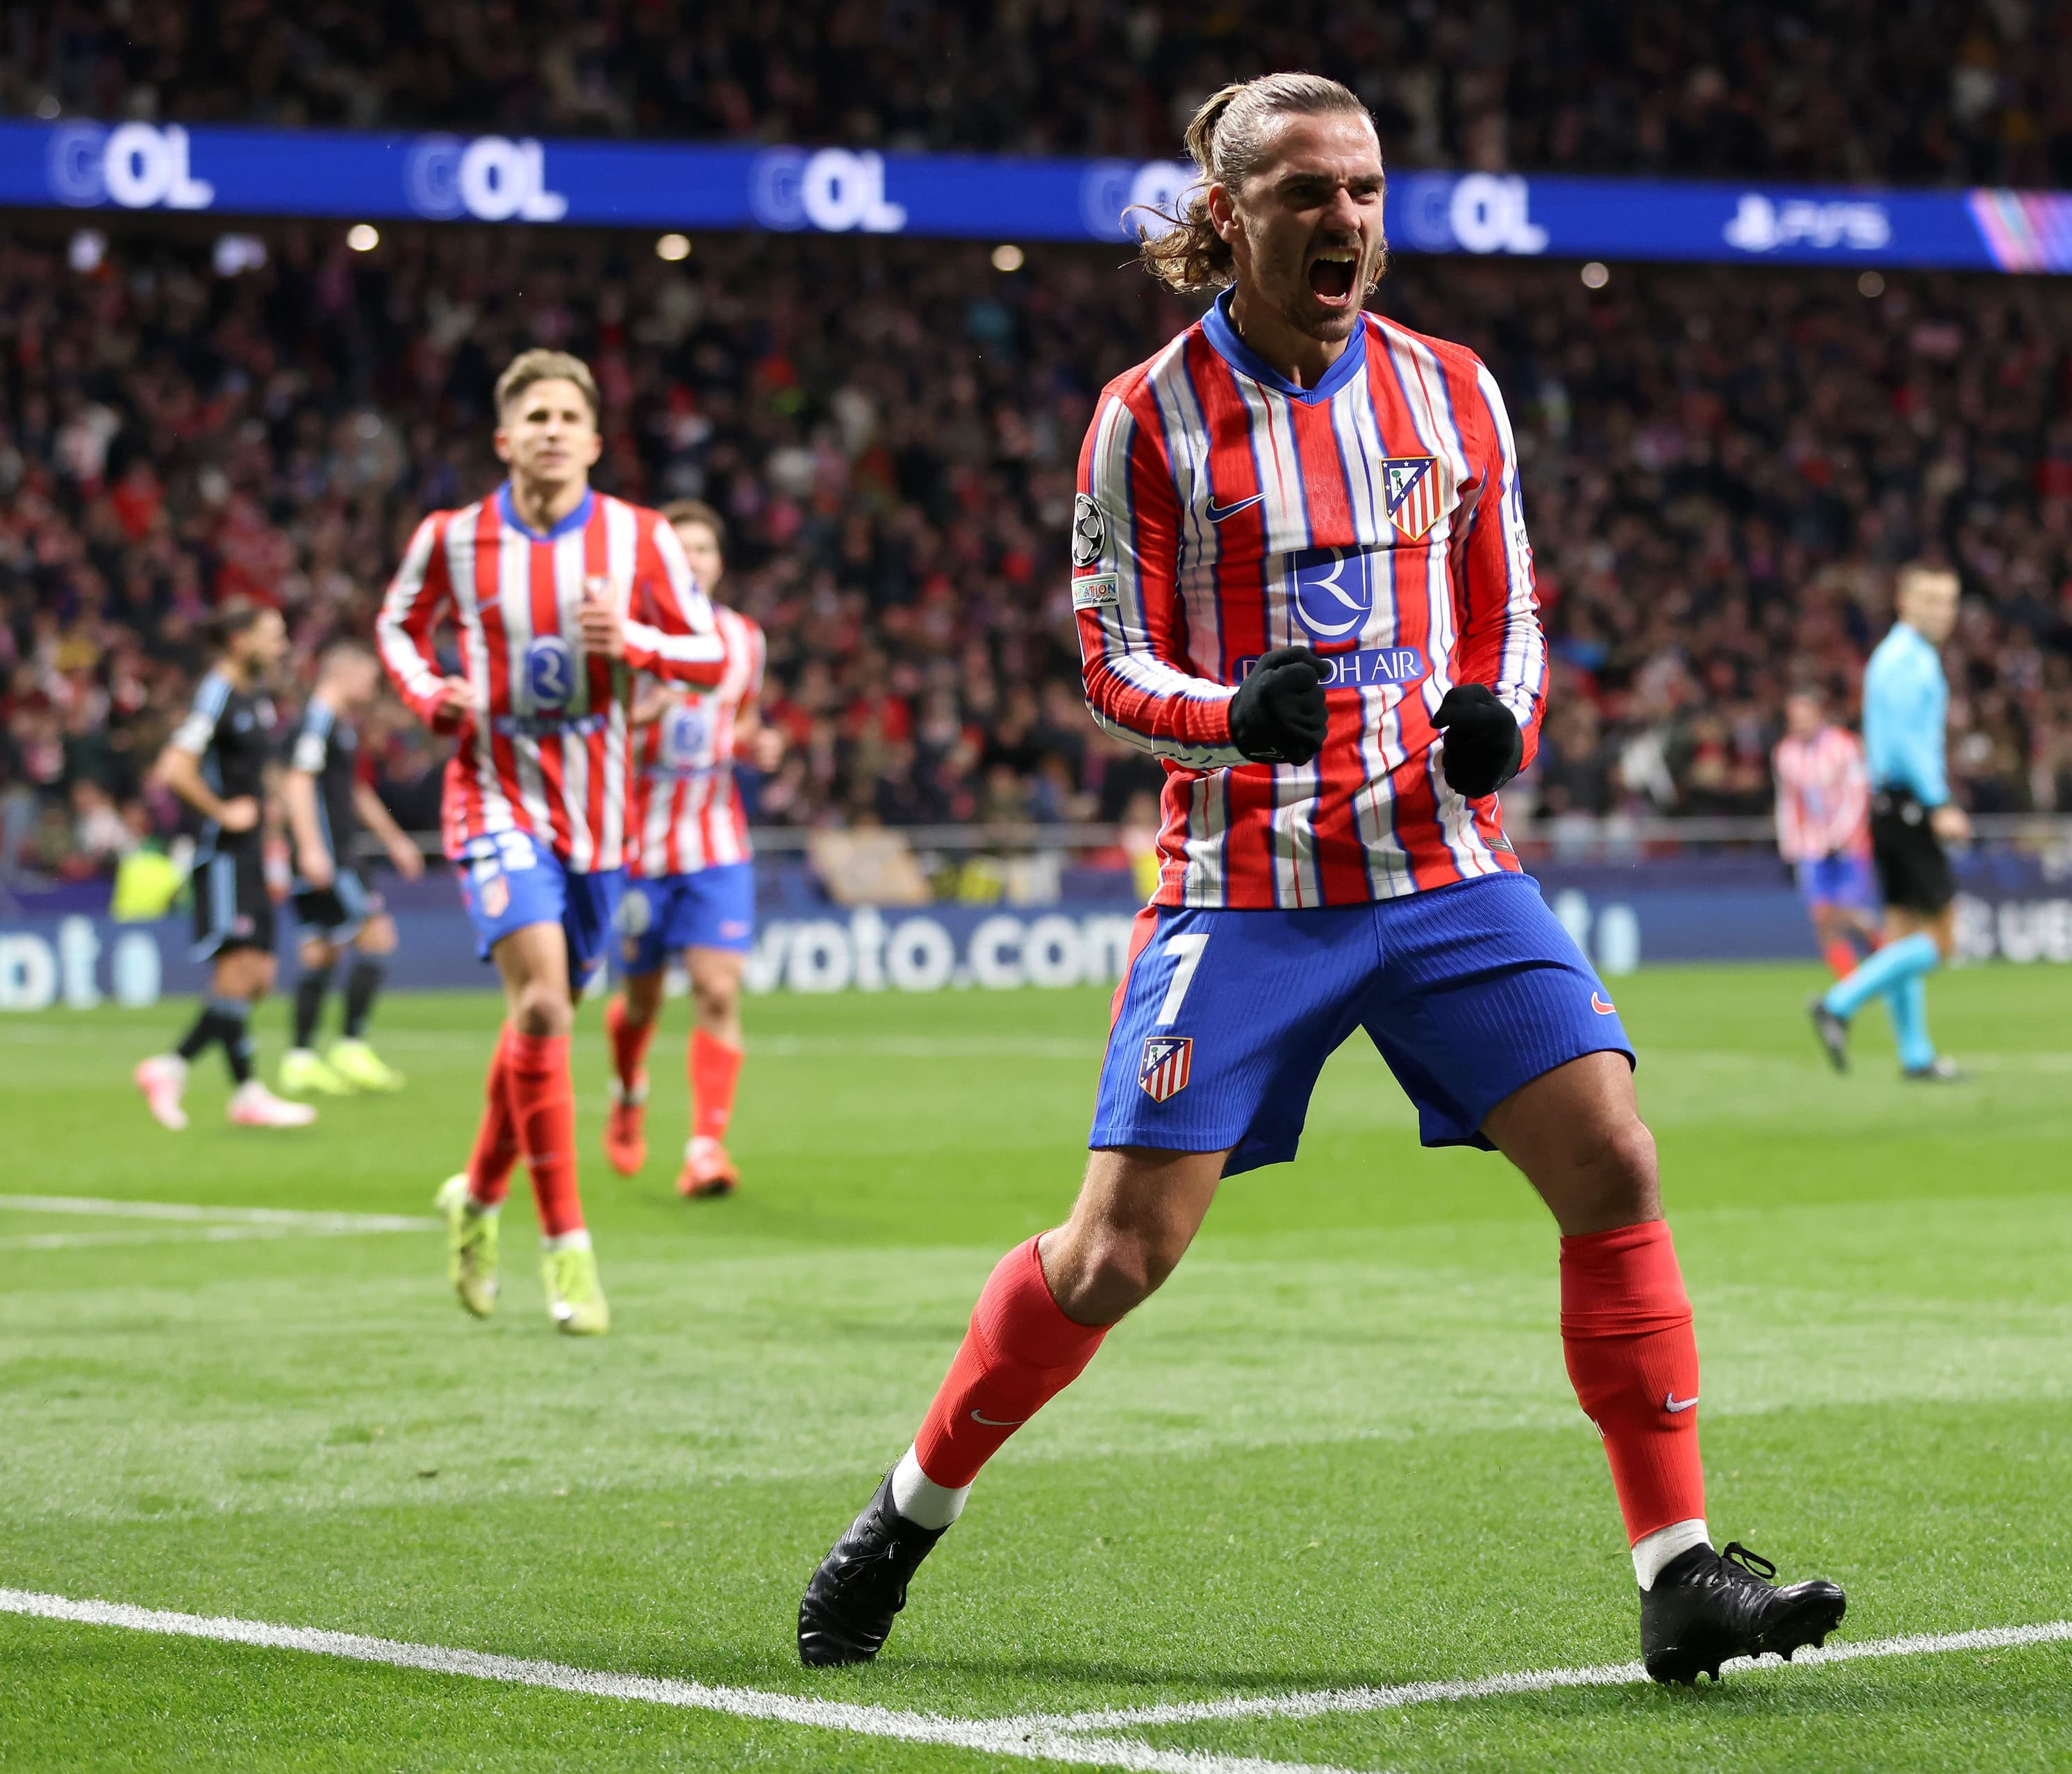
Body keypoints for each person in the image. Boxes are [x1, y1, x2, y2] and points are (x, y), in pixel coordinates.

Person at [796, 72, 1845, 1687]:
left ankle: (1677, 1569)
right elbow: (1105, 662)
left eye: (1363, 190)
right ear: (1229, 217)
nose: (1345, 220)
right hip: (1244, 888)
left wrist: (1504, 717)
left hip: (1442, 866)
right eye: (1306, 194)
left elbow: (1508, 609)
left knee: (1614, 1159)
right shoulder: (1142, 416)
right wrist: (1225, 713)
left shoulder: (1453, 390)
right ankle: (902, 1511)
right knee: (1113, 1255)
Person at [375, 348, 725, 1335]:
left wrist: (640, 643)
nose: (553, 429)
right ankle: (567, 1248)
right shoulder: (450, 539)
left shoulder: (640, 538)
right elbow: (396, 628)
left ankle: (476, 1199)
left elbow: (710, 654)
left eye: (570, 415)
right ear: (505, 439)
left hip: (602, 819)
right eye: (535, 415)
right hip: (492, 797)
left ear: (595, 440)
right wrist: (427, 691)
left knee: (541, 1019)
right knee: (539, 1003)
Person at [602, 499, 779, 1196]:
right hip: (639, 850)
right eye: (681, 550)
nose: (694, 560)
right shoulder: (627, 639)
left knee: (715, 987)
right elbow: (592, 735)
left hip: (715, 843)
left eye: (703, 549)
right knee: (641, 1001)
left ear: (719, 562)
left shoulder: (744, 639)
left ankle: (706, 1146)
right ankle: (627, 1091)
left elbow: (741, 722)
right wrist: (635, 713)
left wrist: (757, 744)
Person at [133, 603, 318, 1130]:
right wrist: (223, 812)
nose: (282, 646)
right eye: (272, 635)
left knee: (257, 976)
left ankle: (196, 1076)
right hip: (223, 853)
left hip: (253, 853)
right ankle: (223, 1085)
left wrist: (273, 820)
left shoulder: (254, 698)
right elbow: (174, 768)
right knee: (238, 972)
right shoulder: (216, 692)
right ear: (239, 640)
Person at [1808, 565, 1969, 1081]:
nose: (1941, 611)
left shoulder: (1895, 656)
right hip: (1909, 806)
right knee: (1942, 941)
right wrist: (1938, 801)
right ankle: (1839, 1003)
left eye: (1948, 601)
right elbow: (1905, 745)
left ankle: (1916, 1055)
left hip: (1888, 808)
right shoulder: (1911, 662)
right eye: (1930, 600)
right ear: (1904, 602)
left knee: (1900, 933)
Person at [276, 640, 426, 1097]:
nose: (372, 685)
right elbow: (296, 783)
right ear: (343, 674)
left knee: (321, 952)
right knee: (377, 937)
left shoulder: (338, 727)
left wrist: (394, 839)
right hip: (331, 854)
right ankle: (351, 1046)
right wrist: (311, 848)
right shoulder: (318, 721)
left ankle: (299, 1059)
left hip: (332, 850)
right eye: (368, 677)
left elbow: (354, 790)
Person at [1773, 684, 1878, 981]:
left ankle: (1879, 943)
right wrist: (1789, 844)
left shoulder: (1844, 746)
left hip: (1849, 845)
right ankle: (1851, 983)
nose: (1801, 725)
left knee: (1844, 912)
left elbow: (1857, 796)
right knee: (1821, 917)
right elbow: (1788, 802)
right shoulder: (1785, 753)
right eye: (1795, 720)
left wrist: (1840, 835)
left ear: (1820, 716)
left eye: (1806, 717)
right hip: (1812, 847)